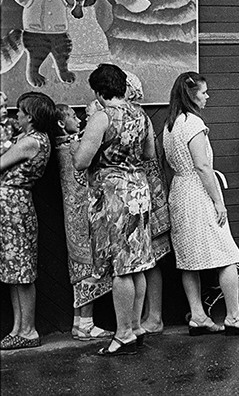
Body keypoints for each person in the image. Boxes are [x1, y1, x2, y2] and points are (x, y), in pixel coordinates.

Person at [163, 72, 239, 335]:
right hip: (197, 191)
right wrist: (219, 202)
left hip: (179, 192)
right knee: (227, 254)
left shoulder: (170, 124)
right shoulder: (193, 123)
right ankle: (234, 316)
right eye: (204, 92)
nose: (207, 97)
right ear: (191, 95)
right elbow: (203, 166)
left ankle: (198, 315)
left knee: (188, 259)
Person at [72, 64, 156, 356]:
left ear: (98, 91)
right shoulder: (141, 115)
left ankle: (122, 334)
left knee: (121, 267)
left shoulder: (102, 117)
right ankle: (136, 326)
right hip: (139, 191)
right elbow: (149, 154)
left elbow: (81, 161)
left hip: (113, 196)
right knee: (139, 263)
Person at [0, 92, 56, 350]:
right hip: (15, 207)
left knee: (21, 271)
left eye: (21, 111)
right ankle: (19, 328)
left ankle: (28, 329)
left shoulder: (30, 142)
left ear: (31, 117)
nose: (16, 115)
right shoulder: (32, 138)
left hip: (15, 208)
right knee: (14, 271)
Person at [54, 104, 114, 341]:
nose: (78, 119)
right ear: (61, 123)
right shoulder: (72, 147)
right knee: (90, 266)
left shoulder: (60, 146)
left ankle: (80, 323)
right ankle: (86, 323)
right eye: (71, 116)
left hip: (72, 215)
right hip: (84, 215)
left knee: (79, 268)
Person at [124, 71, 170, 334]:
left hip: (145, 193)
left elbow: (148, 156)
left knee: (150, 257)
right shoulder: (139, 116)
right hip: (147, 189)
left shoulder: (135, 117)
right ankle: (144, 316)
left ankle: (152, 316)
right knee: (145, 258)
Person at [0, 91, 22, 155]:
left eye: (5, 107)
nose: (4, 111)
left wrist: (12, 142)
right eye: (0, 108)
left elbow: (24, 132)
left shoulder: (11, 122)